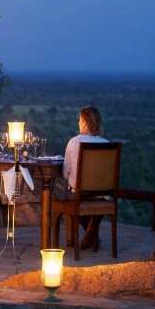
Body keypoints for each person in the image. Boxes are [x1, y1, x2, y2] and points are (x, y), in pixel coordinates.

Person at [60, 105, 108, 249]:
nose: (78, 123)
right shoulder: (106, 144)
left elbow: (65, 173)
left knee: (70, 196)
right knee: (101, 200)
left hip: (79, 194)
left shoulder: (74, 142)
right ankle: (92, 235)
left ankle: (91, 237)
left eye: (80, 120)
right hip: (102, 194)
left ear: (85, 123)